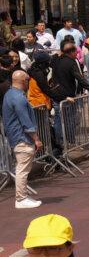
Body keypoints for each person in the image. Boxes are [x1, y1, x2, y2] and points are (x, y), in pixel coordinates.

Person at [3, 70, 42, 209]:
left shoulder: (10, 94)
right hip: (21, 137)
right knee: (22, 169)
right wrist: (36, 139)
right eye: (27, 80)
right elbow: (25, 120)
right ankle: (21, 198)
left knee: (22, 168)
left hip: (16, 136)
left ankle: (22, 196)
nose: (29, 82)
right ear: (23, 81)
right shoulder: (18, 97)